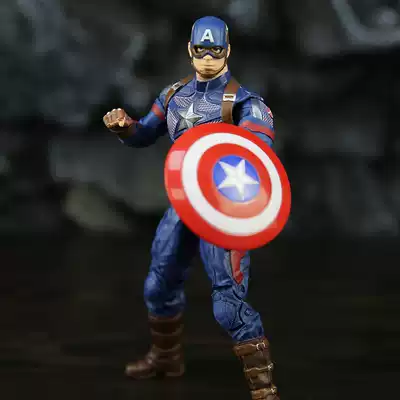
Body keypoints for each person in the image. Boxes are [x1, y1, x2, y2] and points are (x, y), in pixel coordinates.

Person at [103, 16, 279, 400]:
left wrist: (248, 139)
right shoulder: (174, 96)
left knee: (227, 305)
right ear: (190, 50)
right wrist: (124, 127)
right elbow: (144, 132)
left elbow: (258, 151)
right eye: (202, 50)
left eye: (216, 51)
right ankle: (166, 359)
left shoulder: (244, 102)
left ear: (227, 51)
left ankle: (264, 390)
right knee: (158, 286)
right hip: (183, 205)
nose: (208, 58)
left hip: (223, 211)